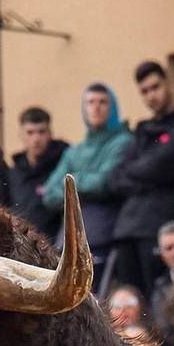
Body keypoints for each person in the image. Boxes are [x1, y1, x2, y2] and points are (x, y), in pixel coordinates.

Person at [106, 61, 174, 294]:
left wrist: (139, 172)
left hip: (161, 231)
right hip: (126, 232)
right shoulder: (142, 130)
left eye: (155, 87)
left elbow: (156, 167)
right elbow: (114, 178)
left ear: (168, 84)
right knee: (132, 306)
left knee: (161, 301)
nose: (151, 95)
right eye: (145, 91)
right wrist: (144, 174)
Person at [40, 83, 134, 254]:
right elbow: (49, 194)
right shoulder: (74, 151)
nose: (96, 108)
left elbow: (104, 182)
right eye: (90, 102)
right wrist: (83, 188)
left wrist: (70, 182)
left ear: (113, 107)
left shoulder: (123, 142)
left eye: (102, 102)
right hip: (67, 242)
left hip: (104, 236)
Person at [6, 107, 68, 242]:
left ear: (50, 133)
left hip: (56, 245)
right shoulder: (14, 173)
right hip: (23, 247)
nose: (36, 138)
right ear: (21, 135)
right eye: (30, 132)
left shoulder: (63, 165)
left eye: (41, 132)